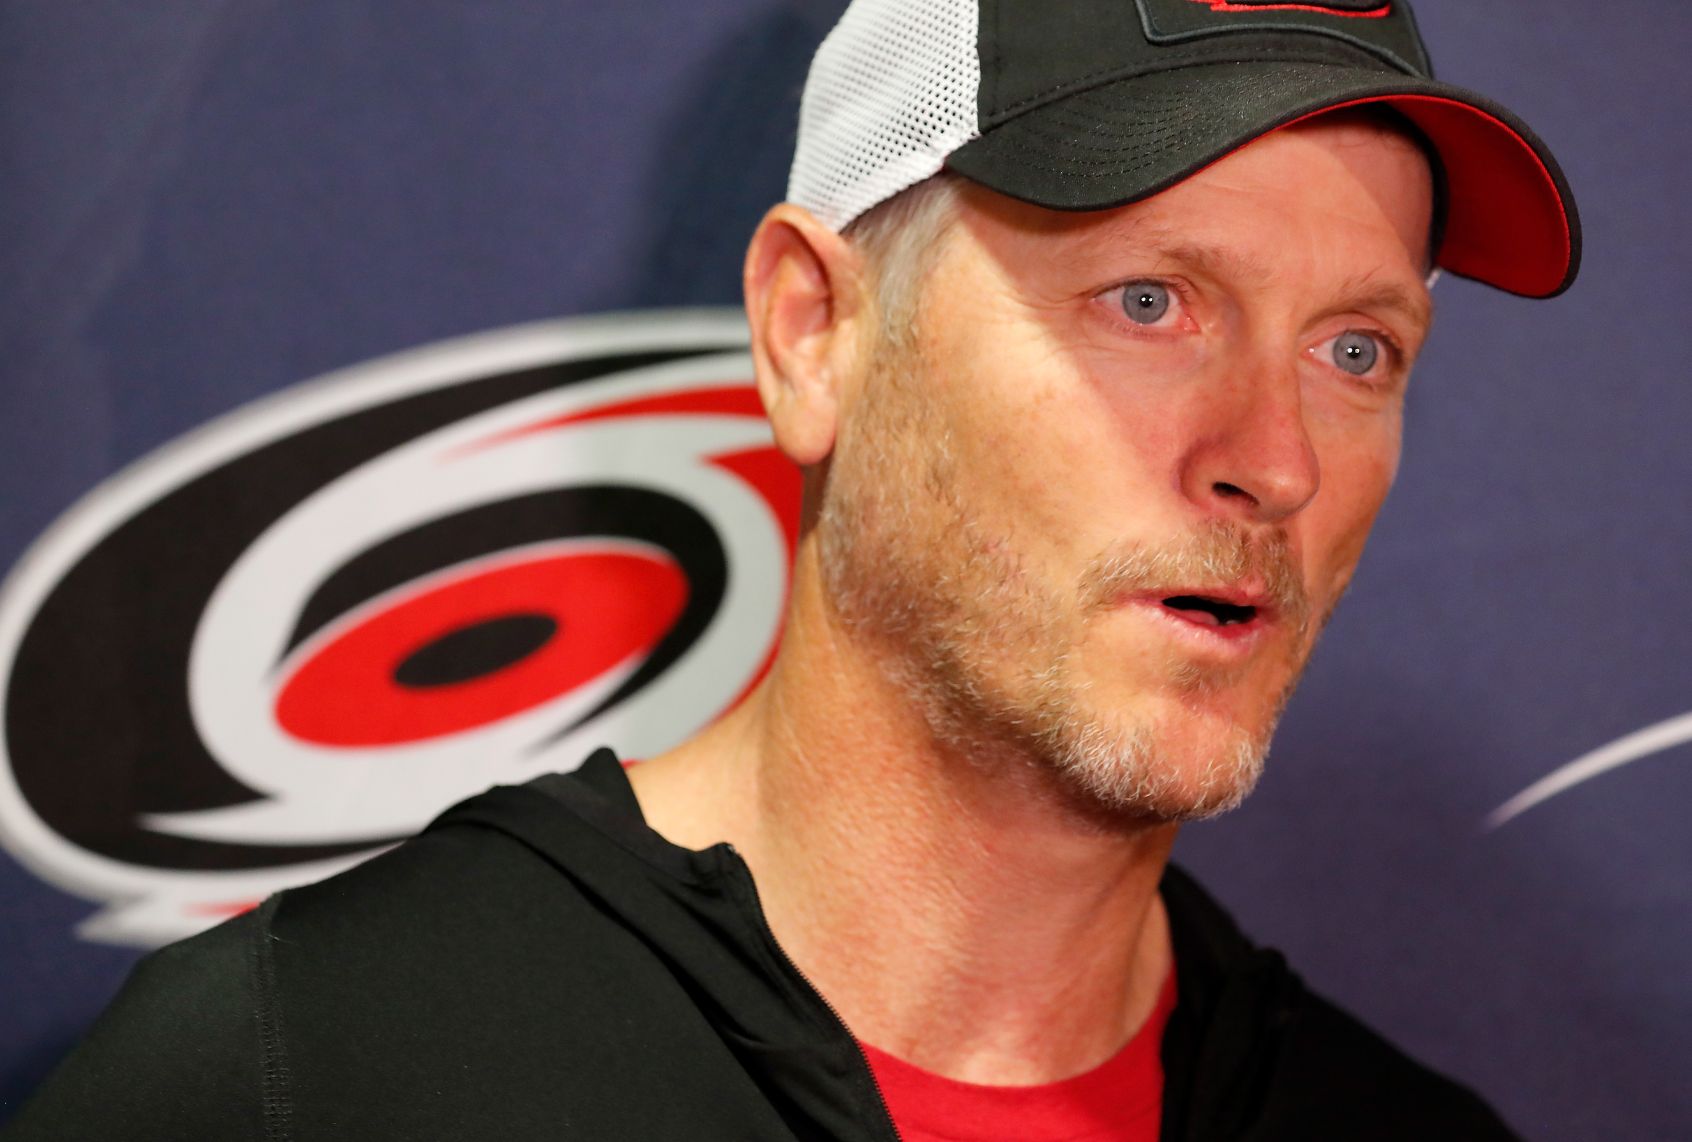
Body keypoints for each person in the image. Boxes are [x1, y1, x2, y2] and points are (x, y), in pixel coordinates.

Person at [5, 1, 1578, 1139]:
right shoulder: (313, 1073)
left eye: (1358, 347)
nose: (1279, 458)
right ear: (811, 331)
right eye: (1150, 302)